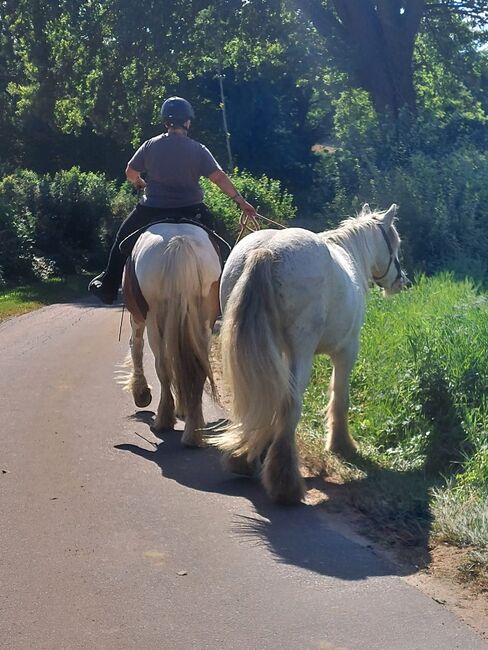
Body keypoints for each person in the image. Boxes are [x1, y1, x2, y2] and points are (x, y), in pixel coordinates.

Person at [88, 96, 257, 305]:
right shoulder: (198, 149)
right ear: (187, 122)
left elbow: (130, 172)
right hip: (192, 210)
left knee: (121, 239)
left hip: (152, 209)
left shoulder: (150, 145)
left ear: (165, 122)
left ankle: (108, 285)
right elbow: (219, 178)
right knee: (220, 245)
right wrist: (241, 202)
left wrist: (140, 182)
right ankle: (224, 293)